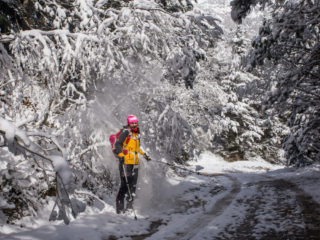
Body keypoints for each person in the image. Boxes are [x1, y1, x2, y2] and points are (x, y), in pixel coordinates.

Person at [114, 115, 151, 214]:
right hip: (125, 163)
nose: (134, 124)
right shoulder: (126, 132)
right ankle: (120, 210)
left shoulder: (137, 134)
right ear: (129, 123)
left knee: (133, 186)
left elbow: (137, 148)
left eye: (135, 122)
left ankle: (130, 208)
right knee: (124, 186)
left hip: (135, 164)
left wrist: (145, 155)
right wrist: (121, 155)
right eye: (132, 123)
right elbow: (117, 144)